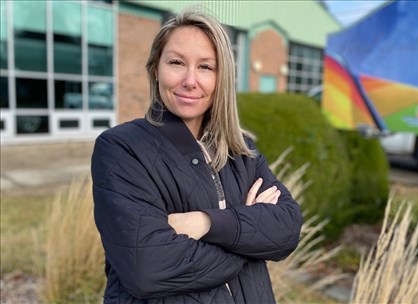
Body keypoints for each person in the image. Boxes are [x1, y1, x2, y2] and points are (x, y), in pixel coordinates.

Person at [91, 7, 303, 304]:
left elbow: (287, 229)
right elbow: (146, 268)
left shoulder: (241, 149)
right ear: (156, 68)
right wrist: (247, 240)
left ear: (221, 77)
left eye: (206, 67)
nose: (190, 80)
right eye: (177, 62)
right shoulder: (122, 149)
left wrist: (205, 223)